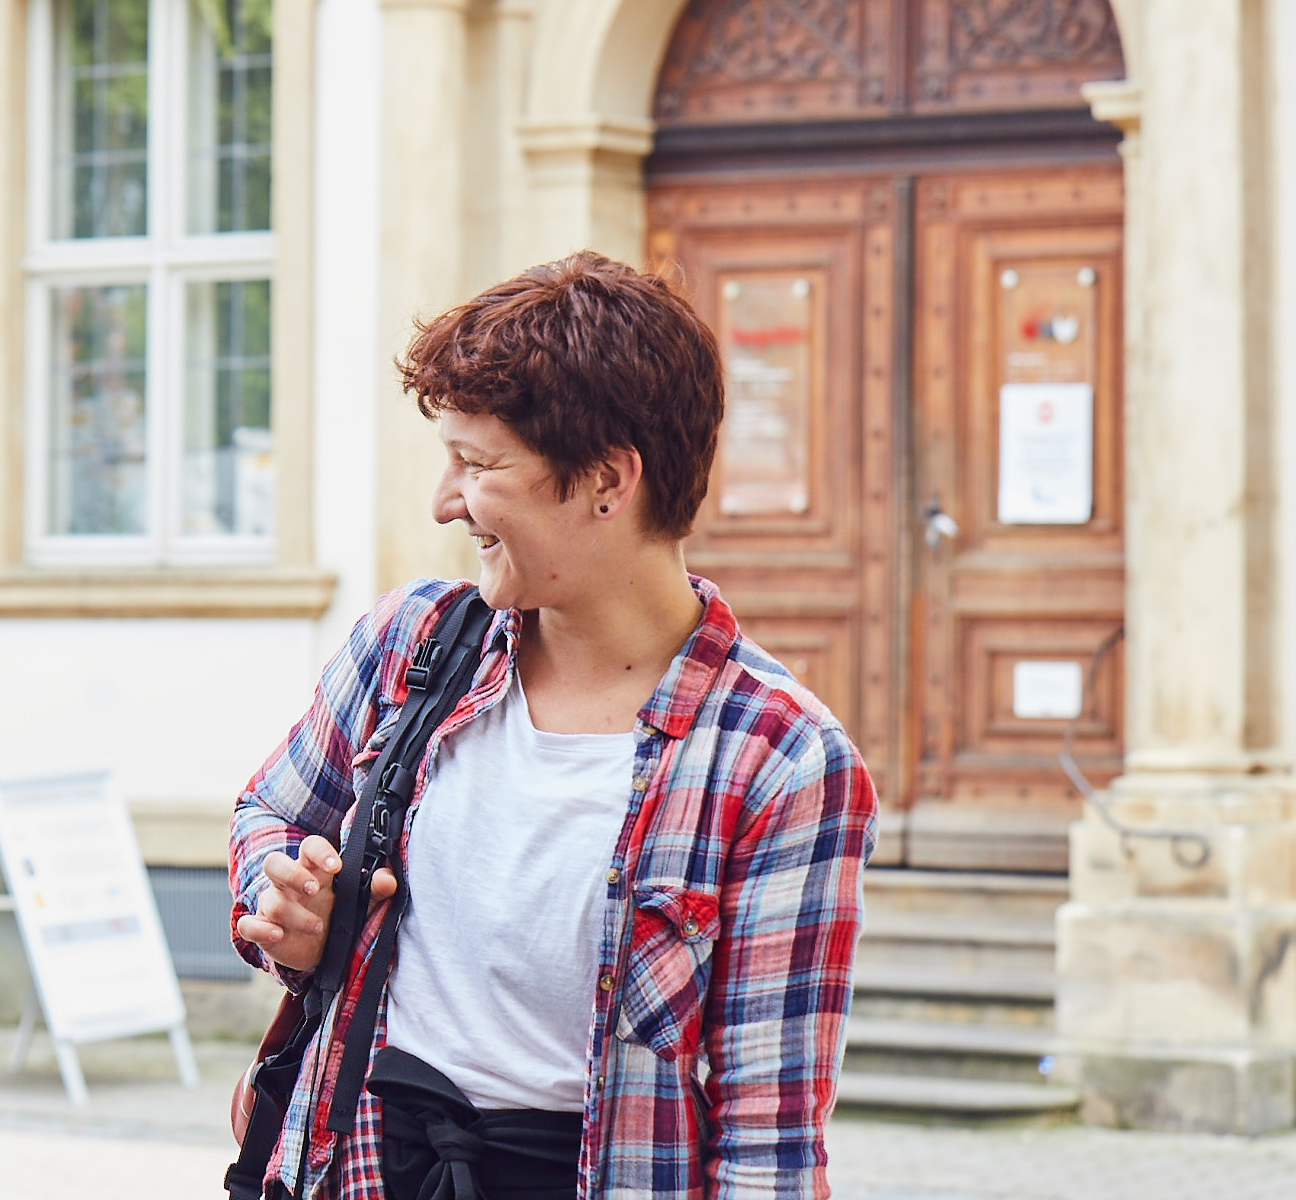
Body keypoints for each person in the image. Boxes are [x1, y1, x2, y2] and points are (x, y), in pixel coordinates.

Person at [230, 253, 878, 1200]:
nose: (445, 501)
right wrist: (285, 902)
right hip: (362, 1161)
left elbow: (767, 1145)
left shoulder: (781, 761)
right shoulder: (409, 646)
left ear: (608, 480)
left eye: (478, 464)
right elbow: (270, 815)